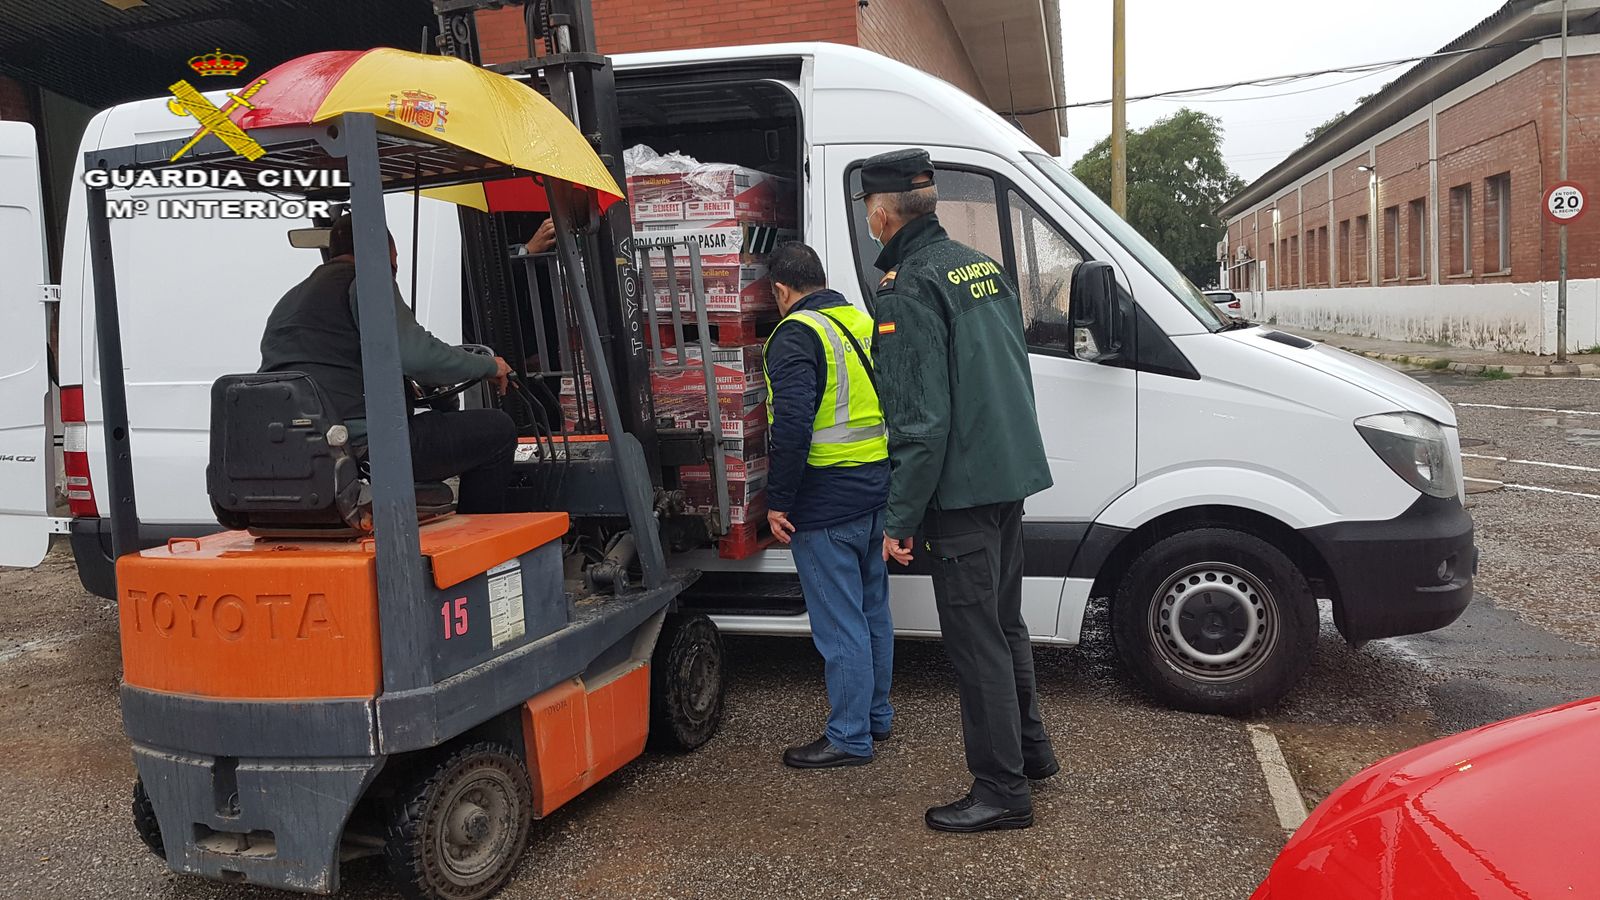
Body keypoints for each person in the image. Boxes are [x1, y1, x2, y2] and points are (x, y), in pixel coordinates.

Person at [860, 148, 1058, 832]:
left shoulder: (908, 287)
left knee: (978, 646)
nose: (868, 221)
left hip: (962, 493)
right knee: (1006, 629)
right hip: (1006, 477)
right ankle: (1031, 755)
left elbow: (919, 420)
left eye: (867, 213)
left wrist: (898, 517)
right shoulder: (979, 267)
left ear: (881, 213)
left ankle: (1001, 791)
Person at [259, 213, 518, 514]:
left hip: (300, 448)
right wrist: (489, 366)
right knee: (497, 431)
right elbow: (418, 356)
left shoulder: (288, 300)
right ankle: (478, 549)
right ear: (384, 253)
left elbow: (336, 365)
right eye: (394, 261)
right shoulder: (367, 282)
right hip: (365, 448)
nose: (393, 270)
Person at [762, 241, 894, 769]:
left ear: (781, 290)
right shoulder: (859, 323)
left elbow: (792, 424)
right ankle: (876, 716)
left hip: (825, 503)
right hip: (874, 493)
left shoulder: (795, 334)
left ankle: (848, 735)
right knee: (872, 612)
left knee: (841, 625)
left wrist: (779, 501)